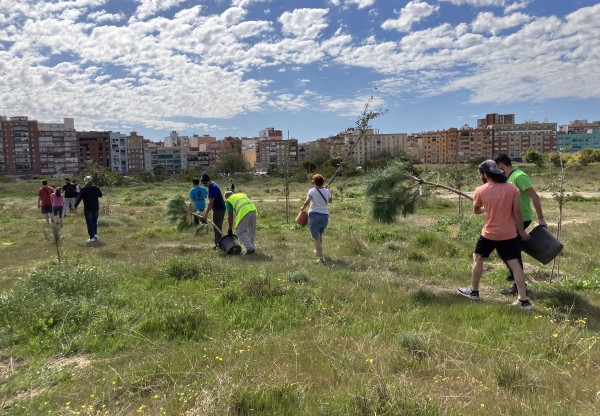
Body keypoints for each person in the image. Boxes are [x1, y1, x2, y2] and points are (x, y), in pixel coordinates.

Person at [457, 160, 533, 310]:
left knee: (478, 257)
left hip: (489, 233)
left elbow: (477, 210)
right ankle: (523, 301)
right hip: (509, 233)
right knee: (515, 264)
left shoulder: (480, 190)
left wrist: (486, 207)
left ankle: (474, 292)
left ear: (484, 174)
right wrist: (522, 231)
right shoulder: (512, 188)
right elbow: (517, 212)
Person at [494, 154, 547, 295]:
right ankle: (514, 273)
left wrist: (541, 218)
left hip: (521, 219)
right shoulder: (509, 177)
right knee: (506, 248)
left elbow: (535, 197)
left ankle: (519, 285)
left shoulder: (519, 176)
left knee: (511, 251)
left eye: (496, 166)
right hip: (512, 219)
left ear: (500, 164)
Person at [300, 174, 332, 263]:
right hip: (325, 216)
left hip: (314, 215)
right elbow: (330, 201)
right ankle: (318, 251)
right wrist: (328, 190)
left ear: (313, 182)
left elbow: (307, 201)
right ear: (322, 182)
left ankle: (321, 258)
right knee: (320, 234)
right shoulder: (327, 191)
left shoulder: (312, 191)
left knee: (316, 238)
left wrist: (302, 208)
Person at [225, 190, 257, 255]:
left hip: (244, 212)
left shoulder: (229, 200)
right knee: (251, 230)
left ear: (226, 197)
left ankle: (250, 248)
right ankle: (251, 246)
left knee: (240, 232)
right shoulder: (241, 194)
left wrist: (230, 228)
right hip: (253, 210)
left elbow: (230, 215)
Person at [200, 173, 226, 248]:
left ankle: (219, 244)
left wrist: (206, 214)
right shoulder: (212, 185)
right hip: (218, 208)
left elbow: (211, 203)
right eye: (203, 183)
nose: (204, 185)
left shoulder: (213, 188)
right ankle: (218, 243)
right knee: (217, 227)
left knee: (217, 227)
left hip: (219, 209)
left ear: (208, 181)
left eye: (204, 183)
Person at [74, 176, 103, 243]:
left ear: (85, 181)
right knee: (94, 221)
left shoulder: (84, 189)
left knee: (89, 222)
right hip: (96, 207)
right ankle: (95, 234)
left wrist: (75, 206)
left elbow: (79, 198)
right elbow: (100, 195)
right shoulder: (96, 188)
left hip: (88, 208)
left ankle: (92, 237)